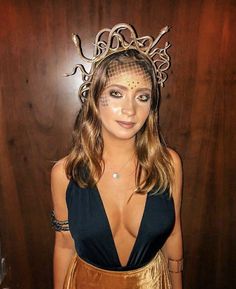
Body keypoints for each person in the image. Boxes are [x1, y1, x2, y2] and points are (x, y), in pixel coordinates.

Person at [50, 23, 183, 289]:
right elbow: (65, 244)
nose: (130, 109)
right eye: (116, 93)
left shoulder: (169, 164)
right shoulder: (66, 172)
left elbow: (175, 232)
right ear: (95, 100)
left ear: (151, 107)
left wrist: (177, 281)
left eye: (142, 97)